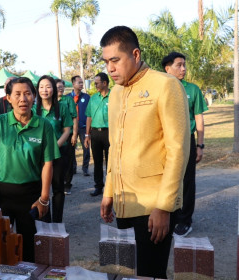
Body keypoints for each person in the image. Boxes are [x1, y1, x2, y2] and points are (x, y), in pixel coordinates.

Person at [99, 26, 190, 278]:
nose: (110, 68)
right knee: (120, 271)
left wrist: (164, 207)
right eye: (106, 61)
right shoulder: (115, 94)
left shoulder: (166, 85)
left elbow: (178, 149)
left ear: (136, 54)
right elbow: (114, 146)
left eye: (115, 60)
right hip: (123, 202)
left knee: (150, 274)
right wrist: (108, 192)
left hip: (153, 208)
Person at [0, 77, 60, 262]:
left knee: (28, 247)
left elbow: (48, 163)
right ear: (8, 98)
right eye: (17, 94)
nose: (23, 99)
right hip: (1, 194)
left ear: (34, 97)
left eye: (27, 94)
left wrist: (44, 199)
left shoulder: (44, 126)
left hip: (30, 196)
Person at [162, 51, 208, 237]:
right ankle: (167, 215)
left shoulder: (192, 89)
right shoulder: (161, 87)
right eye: (179, 65)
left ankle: (184, 220)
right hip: (163, 140)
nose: (183, 69)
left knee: (187, 181)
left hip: (186, 139)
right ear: (167, 68)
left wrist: (200, 145)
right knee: (165, 178)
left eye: (184, 65)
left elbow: (198, 118)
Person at [35, 75, 72, 222]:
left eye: (48, 86)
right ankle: (45, 220)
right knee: (41, 188)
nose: (45, 90)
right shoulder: (33, 109)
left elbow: (67, 130)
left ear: (54, 90)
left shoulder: (61, 108)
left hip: (57, 154)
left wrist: (54, 147)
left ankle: (57, 222)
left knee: (57, 189)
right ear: (38, 90)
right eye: (42, 87)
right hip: (38, 156)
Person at [84, 72, 110, 197]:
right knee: (97, 161)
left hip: (110, 133)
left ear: (105, 83)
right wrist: (87, 135)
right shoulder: (93, 98)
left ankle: (112, 188)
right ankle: (98, 186)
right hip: (95, 133)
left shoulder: (114, 96)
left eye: (97, 83)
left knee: (111, 162)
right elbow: (89, 116)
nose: (95, 85)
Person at [56, 79, 78, 195]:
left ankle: (67, 184)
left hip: (67, 135)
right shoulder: (51, 101)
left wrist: (74, 134)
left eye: (62, 87)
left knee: (67, 160)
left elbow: (74, 117)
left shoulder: (68, 100)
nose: (60, 88)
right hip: (54, 136)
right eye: (58, 86)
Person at [68, 75, 90, 178]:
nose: (81, 84)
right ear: (73, 84)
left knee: (86, 147)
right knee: (71, 148)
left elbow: (89, 113)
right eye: (79, 82)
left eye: (82, 83)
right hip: (71, 127)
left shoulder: (86, 97)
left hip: (83, 127)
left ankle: (85, 169)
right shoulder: (67, 98)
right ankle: (73, 167)